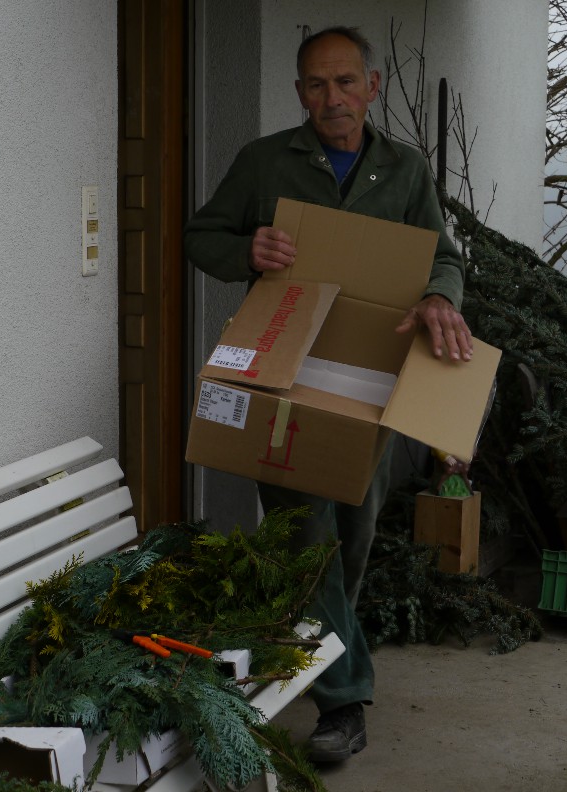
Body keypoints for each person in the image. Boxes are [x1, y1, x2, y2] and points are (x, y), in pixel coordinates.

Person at [183, 26, 474, 762]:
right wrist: (246, 248)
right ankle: (344, 704)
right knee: (307, 537)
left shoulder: (405, 170)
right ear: (299, 93)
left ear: (372, 87)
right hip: (283, 377)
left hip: (370, 383)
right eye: (316, 84)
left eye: (346, 82)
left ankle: (312, 654)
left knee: (352, 537)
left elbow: (443, 258)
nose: (332, 98)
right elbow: (200, 236)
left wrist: (441, 297)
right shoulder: (264, 162)